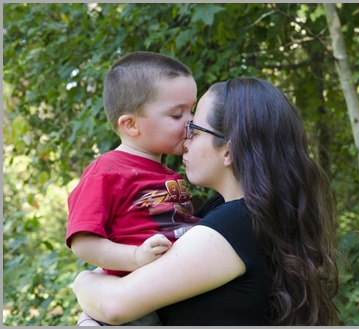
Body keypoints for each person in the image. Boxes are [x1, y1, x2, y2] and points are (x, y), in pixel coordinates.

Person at [73, 77, 340, 325]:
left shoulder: (234, 226)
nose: (184, 140)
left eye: (195, 130)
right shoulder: (231, 214)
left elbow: (114, 305)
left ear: (229, 151)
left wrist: (83, 281)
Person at [66, 51, 201, 325]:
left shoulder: (172, 174)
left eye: (192, 110)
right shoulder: (107, 172)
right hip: (133, 298)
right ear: (130, 125)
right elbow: (82, 242)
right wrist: (135, 257)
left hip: (175, 290)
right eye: (177, 114)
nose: (191, 122)